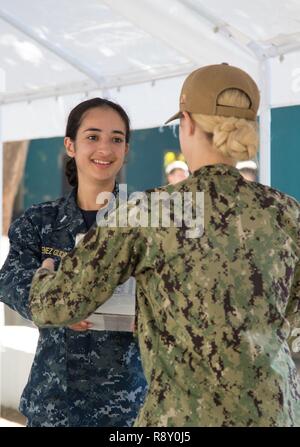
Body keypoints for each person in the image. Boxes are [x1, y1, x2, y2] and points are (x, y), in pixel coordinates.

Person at [29, 64, 300, 426]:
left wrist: (45, 273)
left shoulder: (151, 211)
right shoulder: (286, 211)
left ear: (186, 123)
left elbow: (56, 306)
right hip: (277, 413)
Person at [0, 98, 147, 427]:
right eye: (93, 137)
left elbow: (175, 294)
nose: (105, 149)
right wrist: (55, 305)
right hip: (54, 404)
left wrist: (151, 314)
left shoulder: (146, 224)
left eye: (116, 139)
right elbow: (9, 282)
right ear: (70, 145)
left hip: (127, 407)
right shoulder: (40, 221)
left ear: (125, 150)